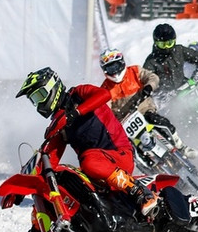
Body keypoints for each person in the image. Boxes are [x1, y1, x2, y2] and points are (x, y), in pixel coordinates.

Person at [15, 67, 157, 216]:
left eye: (40, 96)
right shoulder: (60, 123)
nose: (38, 105)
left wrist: (75, 113)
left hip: (119, 155)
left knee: (88, 161)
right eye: (34, 100)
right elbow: (49, 160)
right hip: (98, 172)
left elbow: (104, 94)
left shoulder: (79, 93)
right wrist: (23, 187)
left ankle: (140, 192)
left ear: (52, 87)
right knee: (62, 179)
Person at [99, 49, 197, 159]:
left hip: (144, 109)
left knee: (161, 123)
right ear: (105, 70)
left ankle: (181, 147)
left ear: (121, 63)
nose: (115, 71)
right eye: (110, 68)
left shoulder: (135, 71)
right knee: (130, 149)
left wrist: (149, 87)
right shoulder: (104, 90)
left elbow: (153, 77)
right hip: (124, 121)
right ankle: (144, 164)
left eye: (116, 66)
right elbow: (104, 109)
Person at [143, 23, 198, 94]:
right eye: (162, 45)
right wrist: (150, 90)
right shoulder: (151, 61)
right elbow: (146, 79)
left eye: (169, 44)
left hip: (185, 87)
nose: (166, 48)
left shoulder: (179, 51)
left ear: (174, 41)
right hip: (165, 96)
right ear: (156, 43)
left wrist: (197, 75)